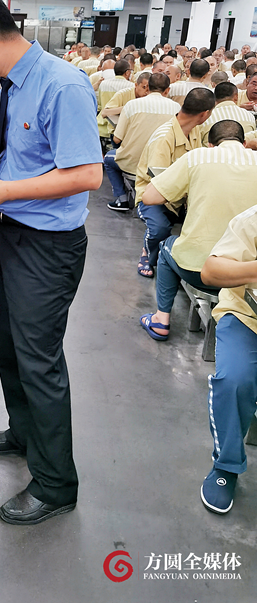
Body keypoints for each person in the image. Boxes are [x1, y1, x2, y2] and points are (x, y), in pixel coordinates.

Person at [0, 0, 103, 525]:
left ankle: (57, 484)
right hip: (11, 233)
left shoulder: (63, 85)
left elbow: (86, 175)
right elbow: (23, 160)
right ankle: (24, 431)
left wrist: (2, 192)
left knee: (40, 360)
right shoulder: (10, 86)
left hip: (47, 247)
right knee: (9, 346)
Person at [140, 120, 257, 341]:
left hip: (198, 271)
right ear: (243, 144)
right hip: (247, 277)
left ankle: (161, 319)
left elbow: (150, 197)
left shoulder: (198, 157)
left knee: (167, 247)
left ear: (210, 145)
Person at [200, 205, 257, 513]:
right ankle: (228, 465)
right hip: (248, 318)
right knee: (235, 380)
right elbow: (212, 271)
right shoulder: (252, 221)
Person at [135, 88, 215, 277]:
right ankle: (147, 252)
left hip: (182, 196)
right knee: (159, 227)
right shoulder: (164, 137)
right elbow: (158, 180)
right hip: (155, 195)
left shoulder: (194, 131)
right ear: (205, 114)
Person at [104, 72, 180, 212]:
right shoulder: (176, 108)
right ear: (167, 90)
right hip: (160, 168)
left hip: (131, 164)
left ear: (147, 87)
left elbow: (117, 139)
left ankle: (122, 199)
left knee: (109, 159)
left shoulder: (132, 105)